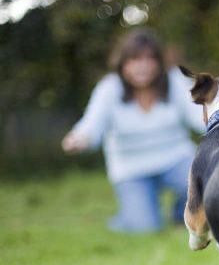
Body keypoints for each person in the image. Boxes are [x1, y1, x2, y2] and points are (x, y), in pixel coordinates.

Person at [62, 28, 204, 233]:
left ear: (159, 62)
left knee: (206, 178)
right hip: (131, 170)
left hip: (176, 159)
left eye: (149, 59)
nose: (143, 66)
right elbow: (91, 125)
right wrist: (79, 138)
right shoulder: (109, 88)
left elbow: (200, 116)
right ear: (123, 64)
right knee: (144, 228)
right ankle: (127, 217)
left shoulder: (174, 81)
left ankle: (179, 215)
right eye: (135, 59)